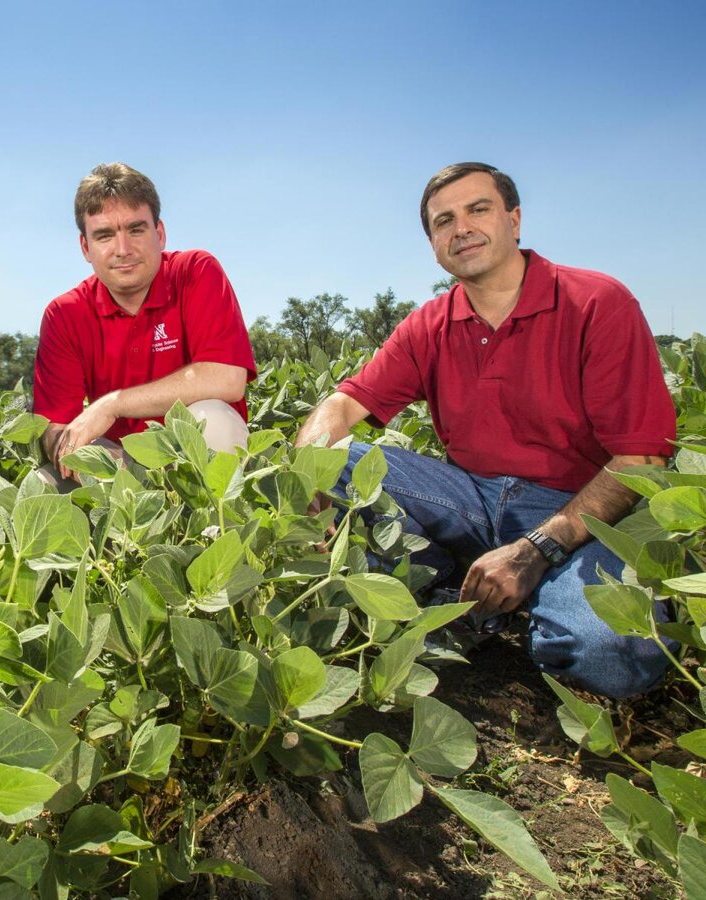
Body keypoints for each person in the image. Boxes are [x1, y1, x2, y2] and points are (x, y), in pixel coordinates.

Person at [296, 162, 676, 699]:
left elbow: (642, 461)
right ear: (433, 244)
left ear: (514, 220)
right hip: (469, 497)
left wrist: (536, 548)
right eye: (443, 220)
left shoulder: (596, 302)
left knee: (614, 656)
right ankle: (457, 590)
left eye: (479, 209)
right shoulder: (429, 323)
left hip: (581, 510)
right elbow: (342, 404)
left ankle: (510, 598)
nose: (462, 228)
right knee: (342, 460)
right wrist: (309, 479)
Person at [33, 162, 256, 481]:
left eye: (136, 229)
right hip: (118, 464)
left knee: (214, 419)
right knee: (43, 483)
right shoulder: (65, 313)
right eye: (105, 235)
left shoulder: (195, 272)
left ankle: (217, 527)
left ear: (159, 234)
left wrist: (114, 404)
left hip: (193, 459)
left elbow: (227, 377)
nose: (122, 250)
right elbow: (54, 426)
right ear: (86, 247)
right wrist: (84, 456)